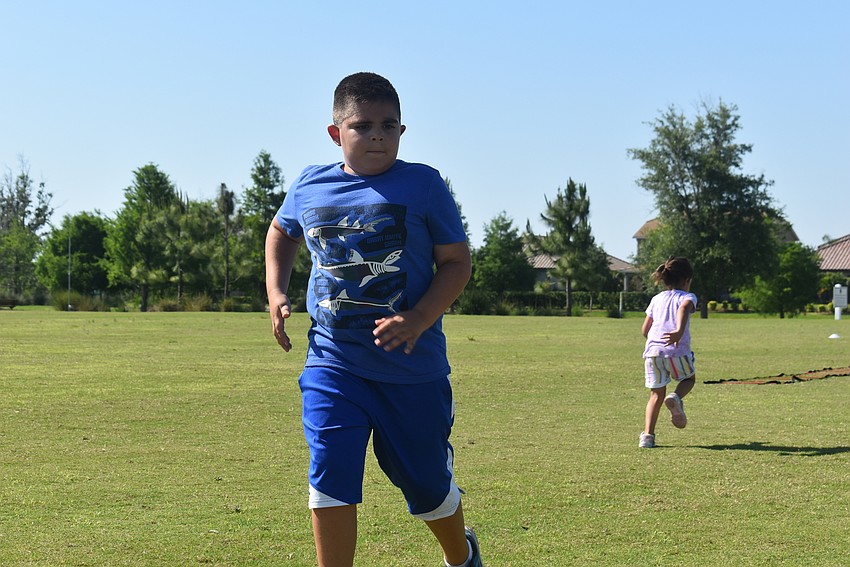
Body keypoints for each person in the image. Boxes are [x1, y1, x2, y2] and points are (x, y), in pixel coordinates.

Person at [264, 72, 482, 567]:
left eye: (388, 125)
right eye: (362, 126)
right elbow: (281, 232)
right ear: (335, 132)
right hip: (332, 362)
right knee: (330, 472)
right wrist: (276, 292)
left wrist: (420, 317)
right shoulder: (309, 184)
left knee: (426, 483)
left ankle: (461, 555)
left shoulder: (424, 184)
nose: (377, 135)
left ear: (402, 131)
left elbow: (456, 263)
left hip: (411, 368)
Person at [639, 257, 697, 449]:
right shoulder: (688, 297)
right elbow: (684, 308)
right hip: (676, 351)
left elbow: (645, 330)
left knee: (655, 395)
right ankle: (675, 397)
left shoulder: (656, 299)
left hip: (653, 353)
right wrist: (678, 331)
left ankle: (647, 437)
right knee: (688, 379)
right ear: (687, 280)